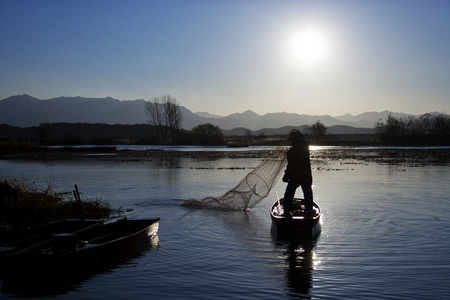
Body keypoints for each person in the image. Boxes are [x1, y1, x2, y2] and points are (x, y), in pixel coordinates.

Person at [282, 129, 313, 217]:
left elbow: (291, 166)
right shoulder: (306, 149)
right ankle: (309, 211)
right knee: (308, 194)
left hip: (295, 177)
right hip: (306, 175)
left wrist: (286, 175)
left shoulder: (291, 152)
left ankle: (287, 212)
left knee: (289, 194)